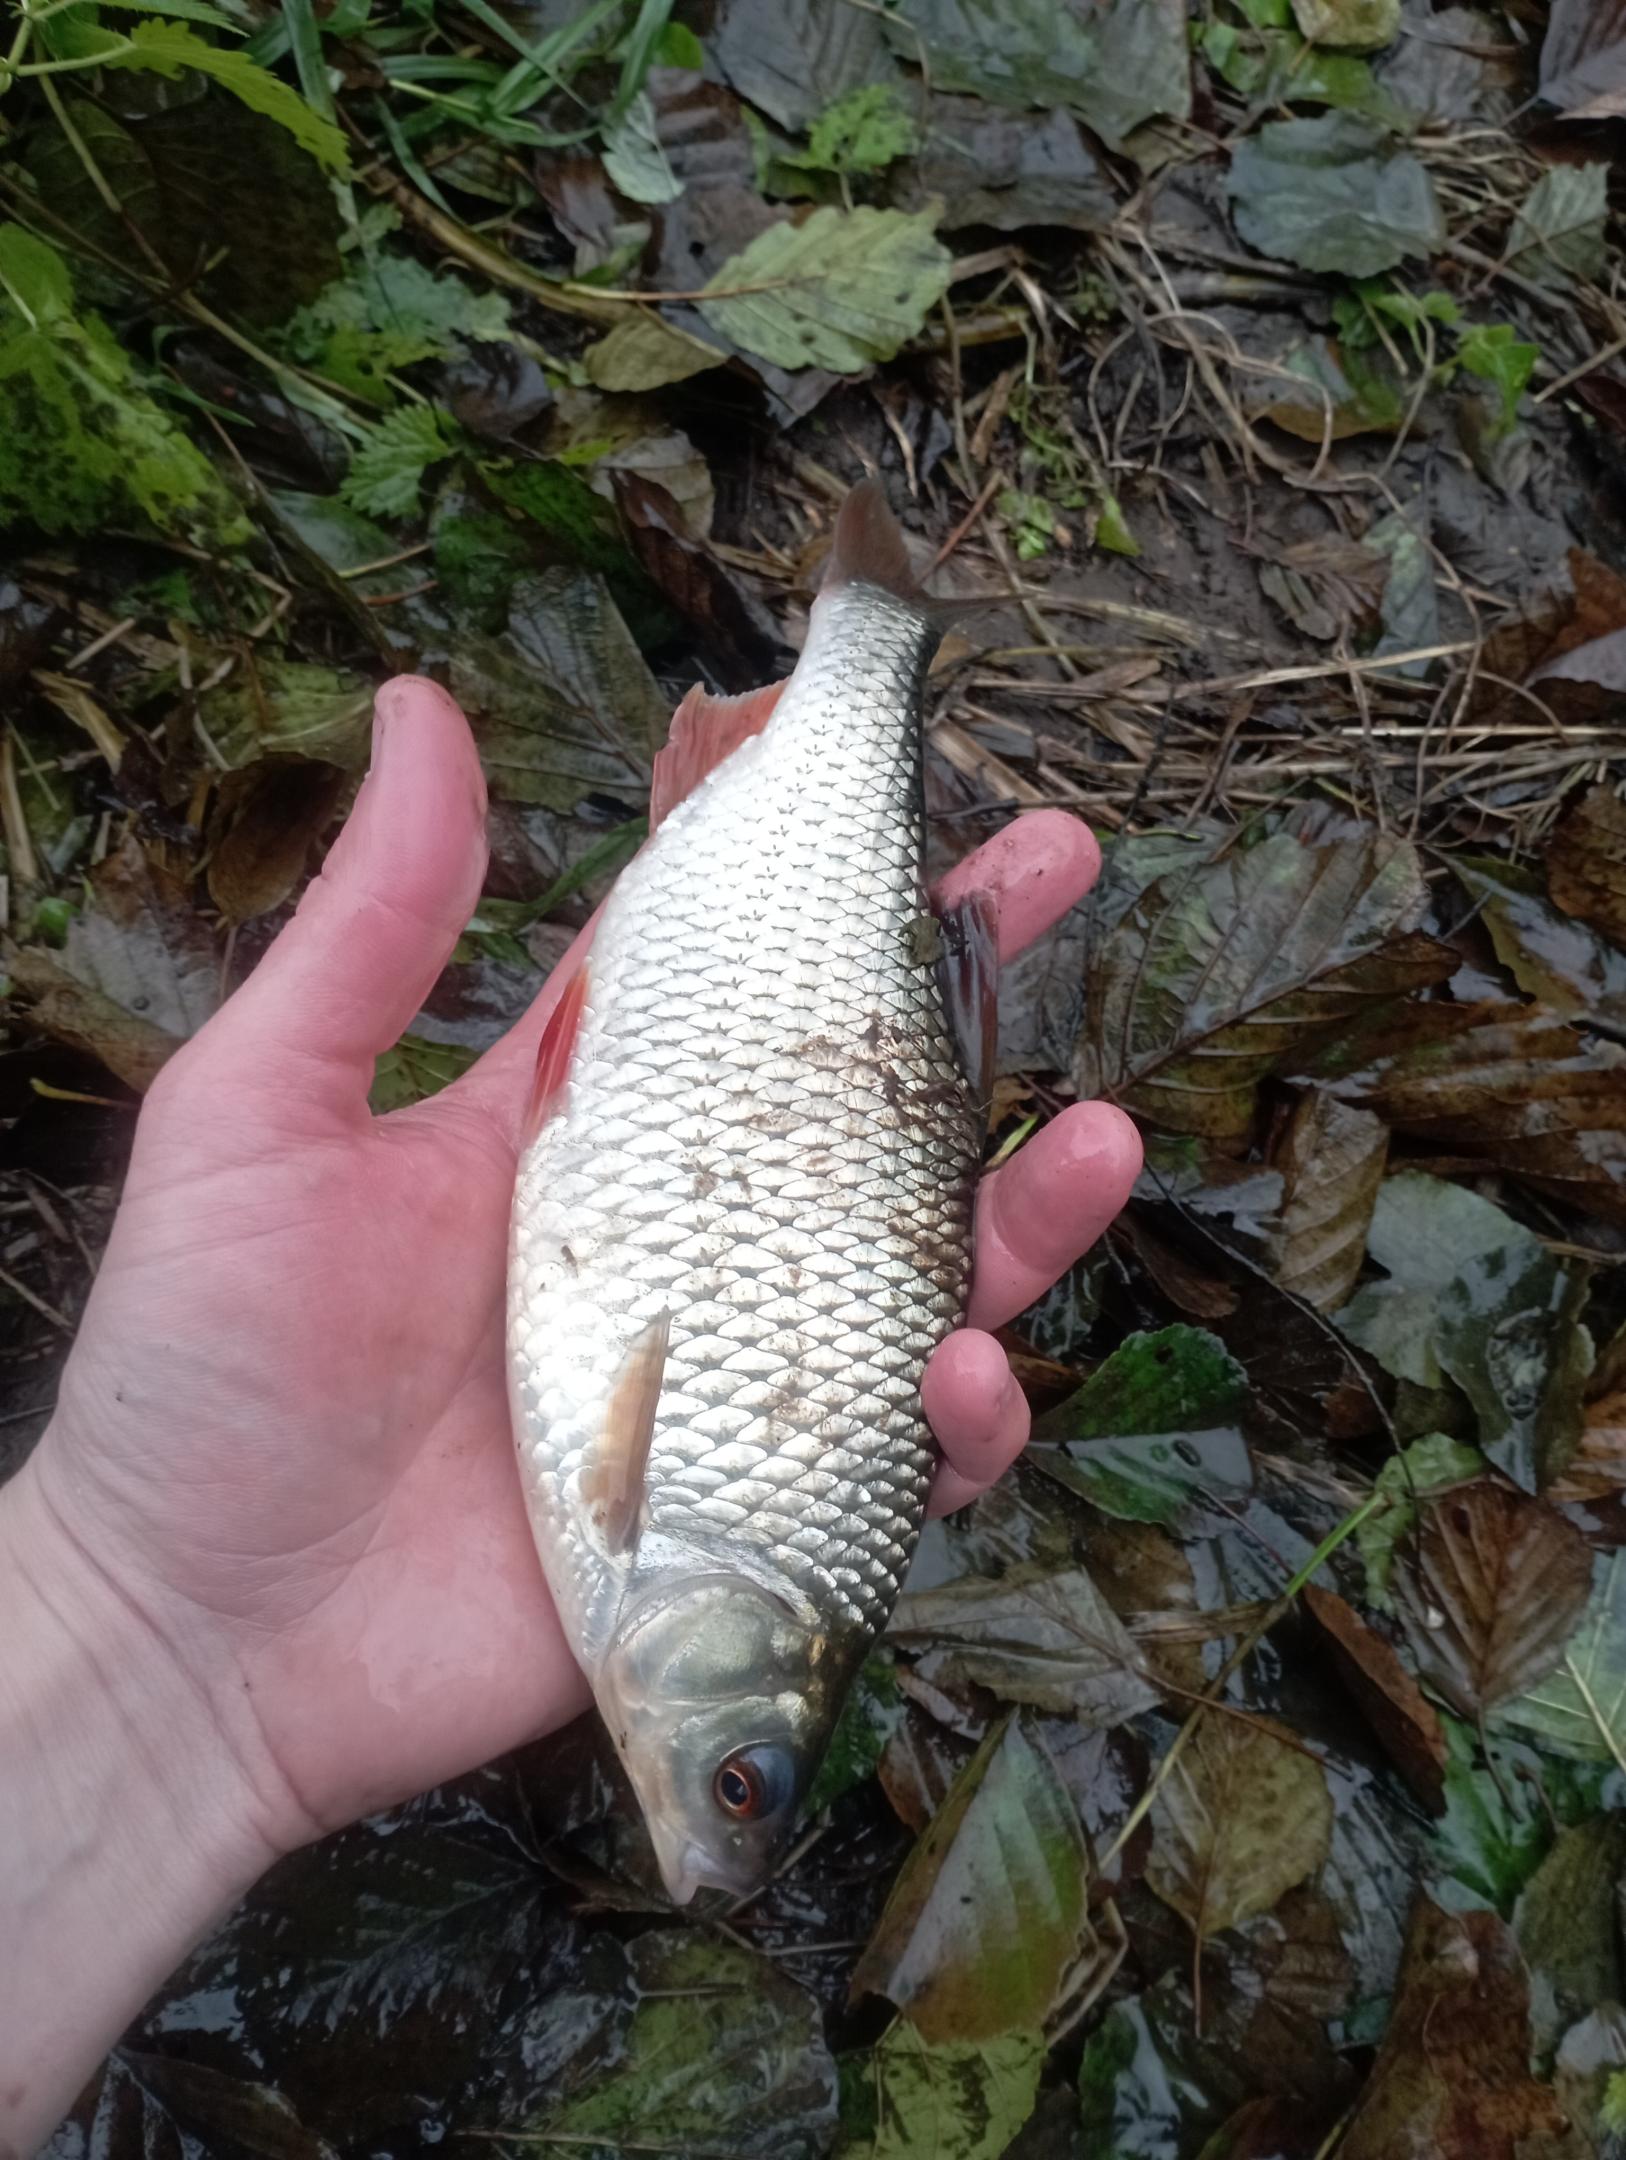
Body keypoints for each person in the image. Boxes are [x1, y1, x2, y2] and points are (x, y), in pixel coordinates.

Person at [0, 677, 1140, 2153]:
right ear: (758, 1643)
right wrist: (127, 1599)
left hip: (737, 1075)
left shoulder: (665, 1567)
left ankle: (843, 690)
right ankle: (857, 673)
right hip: (754, 1061)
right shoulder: (655, 1540)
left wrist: (134, 1636)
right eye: (736, 1782)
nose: (712, 1827)